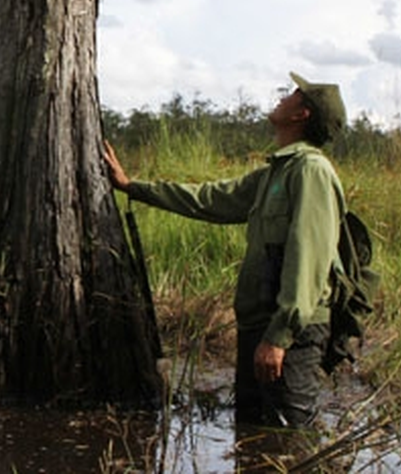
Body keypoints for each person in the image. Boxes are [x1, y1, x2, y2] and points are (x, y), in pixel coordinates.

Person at [103, 73, 347, 429]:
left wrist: (279, 338)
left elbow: (307, 258)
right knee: (251, 434)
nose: (284, 95)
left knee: (290, 439)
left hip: (291, 334)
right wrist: (132, 187)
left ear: (302, 115)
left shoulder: (311, 171)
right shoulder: (274, 173)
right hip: (257, 326)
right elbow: (209, 199)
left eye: (295, 93)